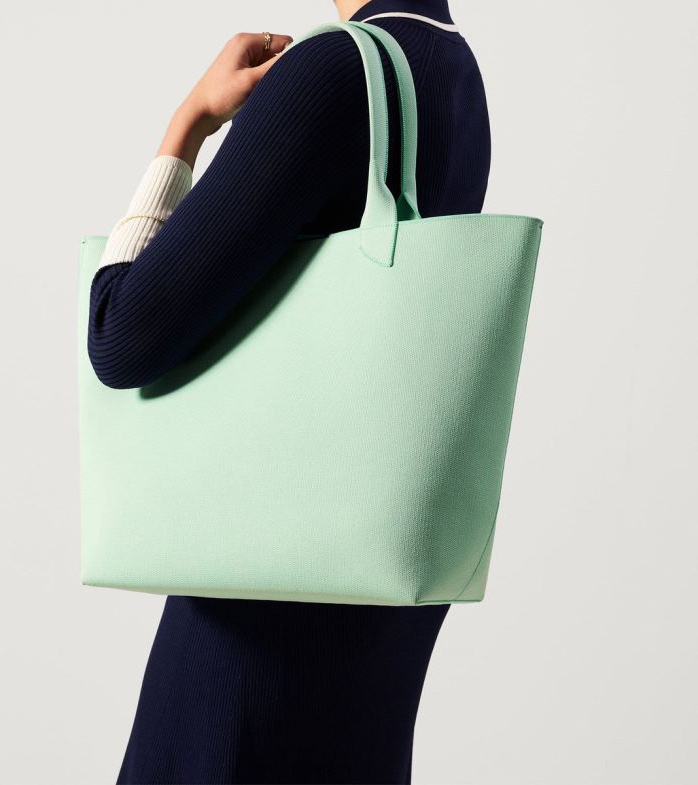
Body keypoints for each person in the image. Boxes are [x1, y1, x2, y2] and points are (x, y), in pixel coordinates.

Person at [88, 1, 491, 782]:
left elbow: (120, 334)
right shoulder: (450, 70)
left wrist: (186, 125)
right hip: (373, 640)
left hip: (253, 643)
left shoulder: (336, 70)